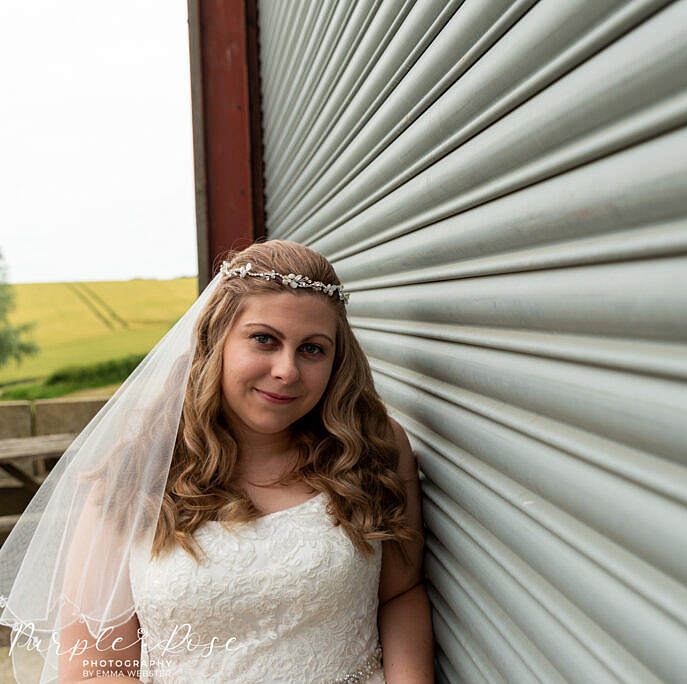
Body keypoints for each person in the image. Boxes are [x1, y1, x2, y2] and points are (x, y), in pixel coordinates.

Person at [0, 240, 433, 683]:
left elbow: (400, 595)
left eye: (313, 349)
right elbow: (92, 668)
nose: (287, 370)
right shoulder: (133, 473)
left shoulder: (371, 450)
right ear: (215, 342)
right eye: (265, 340)